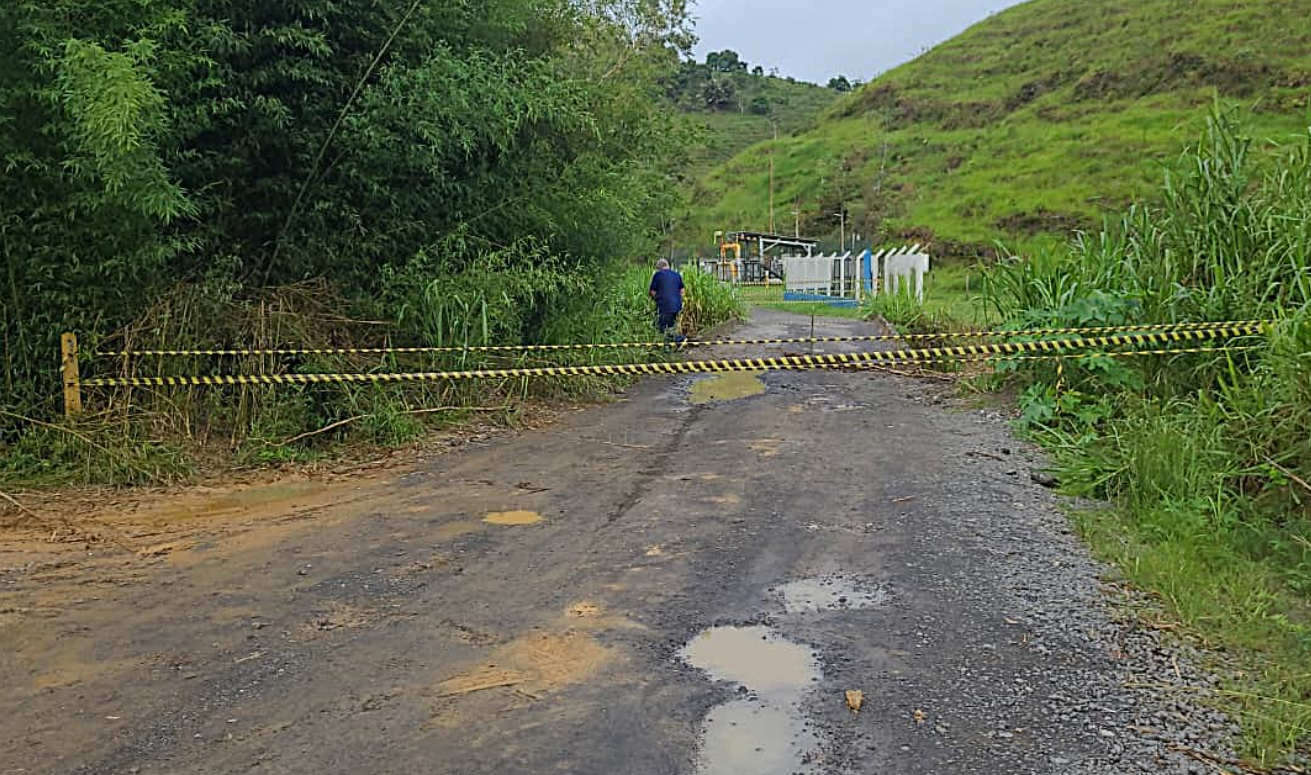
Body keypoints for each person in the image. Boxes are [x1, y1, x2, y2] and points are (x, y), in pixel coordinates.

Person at [648, 259, 686, 342]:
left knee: (662, 329)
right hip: (677, 306)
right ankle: (674, 343)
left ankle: (680, 340)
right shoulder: (677, 275)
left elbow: (652, 291)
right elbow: (682, 291)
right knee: (670, 327)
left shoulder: (658, 275)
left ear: (659, 267)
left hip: (664, 306)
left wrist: (657, 298)